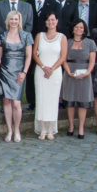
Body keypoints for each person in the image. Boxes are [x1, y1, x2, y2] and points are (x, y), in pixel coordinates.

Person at [0, 10, 33, 143]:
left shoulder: (26, 36)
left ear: (19, 21)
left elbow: (29, 56)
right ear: (8, 21)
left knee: (17, 103)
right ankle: (9, 130)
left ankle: (17, 129)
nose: (13, 22)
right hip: (5, 71)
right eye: (11, 19)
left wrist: (24, 72)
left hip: (19, 72)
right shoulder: (2, 35)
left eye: (16, 19)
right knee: (6, 101)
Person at [32, 11, 67, 140]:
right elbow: (35, 54)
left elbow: (63, 56)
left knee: (52, 100)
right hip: (41, 71)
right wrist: (43, 67)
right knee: (41, 100)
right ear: (45, 22)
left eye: (53, 20)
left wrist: (52, 69)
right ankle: (42, 129)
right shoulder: (39, 36)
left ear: (57, 21)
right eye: (48, 20)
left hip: (55, 72)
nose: (50, 22)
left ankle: (51, 129)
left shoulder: (62, 37)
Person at [61, 20, 96, 138]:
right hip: (70, 74)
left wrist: (87, 73)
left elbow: (92, 61)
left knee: (82, 102)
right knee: (70, 102)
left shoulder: (90, 43)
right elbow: (63, 59)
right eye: (76, 27)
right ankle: (71, 126)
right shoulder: (67, 42)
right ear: (72, 29)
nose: (79, 29)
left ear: (84, 29)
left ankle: (81, 127)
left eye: (81, 27)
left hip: (85, 75)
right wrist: (68, 71)